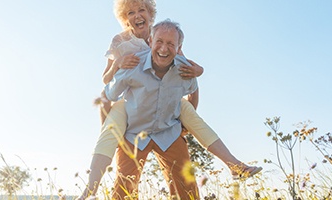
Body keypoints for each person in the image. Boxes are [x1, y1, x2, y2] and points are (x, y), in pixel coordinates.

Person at [77, 0, 262, 199]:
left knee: (187, 182)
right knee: (124, 187)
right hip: (134, 120)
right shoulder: (124, 48)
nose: (137, 15)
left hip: (167, 126)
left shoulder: (167, 43)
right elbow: (107, 85)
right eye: (131, 12)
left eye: (142, 10)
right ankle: (91, 186)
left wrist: (199, 72)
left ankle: (234, 165)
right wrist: (118, 65)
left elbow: (191, 78)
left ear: (150, 14)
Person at [104, 19, 199, 199]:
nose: (164, 49)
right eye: (160, 42)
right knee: (123, 190)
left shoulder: (184, 69)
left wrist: (185, 127)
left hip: (168, 132)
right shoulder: (133, 65)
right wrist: (112, 134)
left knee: (187, 190)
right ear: (150, 42)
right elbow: (108, 94)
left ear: (179, 47)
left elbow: (193, 89)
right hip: (134, 134)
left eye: (171, 44)